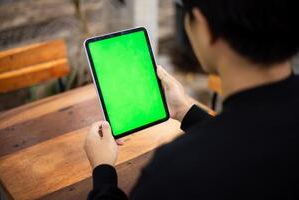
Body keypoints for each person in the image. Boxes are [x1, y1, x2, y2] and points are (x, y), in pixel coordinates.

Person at [84, 0, 299, 199]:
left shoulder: (174, 171)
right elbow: (249, 140)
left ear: (203, 24)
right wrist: (185, 110)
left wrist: (103, 171)